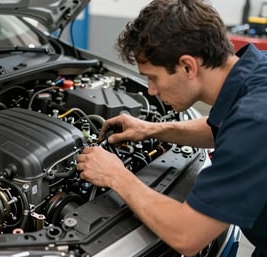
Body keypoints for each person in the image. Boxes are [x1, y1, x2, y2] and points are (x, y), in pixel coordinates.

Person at [76, 0, 267, 256]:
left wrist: (116, 176)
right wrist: (152, 129)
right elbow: (220, 128)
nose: (151, 91)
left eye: (153, 78)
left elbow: (188, 236)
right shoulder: (256, 75)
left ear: (188, 66)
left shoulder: (255, 121)